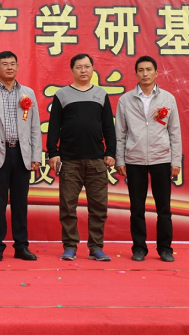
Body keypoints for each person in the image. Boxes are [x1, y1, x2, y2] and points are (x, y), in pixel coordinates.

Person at [47, 53, 116, 261]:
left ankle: (96, 247)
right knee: (68, 205)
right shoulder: (62, 95)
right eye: (79, 67)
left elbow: (108, 127)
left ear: (93, 69)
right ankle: (70, 246)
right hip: (69, 160)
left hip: (96, 160)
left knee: (99, 206)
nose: (83, 70)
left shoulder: (101, 94)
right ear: (72, 70)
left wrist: (111, 152)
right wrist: (53, 152)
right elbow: (53, 127)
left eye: (87, 66)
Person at [115, 56, 182, 263]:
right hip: (134, 160)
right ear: (136, 74)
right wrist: (120, 160)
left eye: (149, 70)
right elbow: (120, 133)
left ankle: (165, 248)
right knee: (137, 207)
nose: (145, 73)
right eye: (141, 70)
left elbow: (174, 132)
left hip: (161, 158)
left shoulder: (167, 99)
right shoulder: (125, 100)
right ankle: (139, 248)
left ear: (156, 73)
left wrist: (175, 161)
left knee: (164, 207)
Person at [0, 51, 42, 262]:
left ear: (17, 66)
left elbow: (34, 127)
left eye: (13, 64)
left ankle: (21, 246)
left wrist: (35, 156)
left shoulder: (28, 93)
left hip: (21, 154)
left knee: (20, 204)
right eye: (4, 64)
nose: (9, 67)